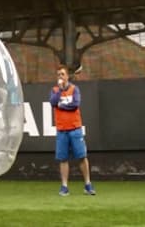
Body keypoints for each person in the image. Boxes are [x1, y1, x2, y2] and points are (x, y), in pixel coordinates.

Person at [50, 64, 95, 196]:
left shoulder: (75, 89)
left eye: (62, 74)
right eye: (58, 75)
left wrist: (62, 105)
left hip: (75, 128)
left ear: (67, 76)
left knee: (82, 156)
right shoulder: (54, 90)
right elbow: (53, 102)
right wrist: (59, 91)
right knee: (63, 159)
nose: (60, 77)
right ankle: (64, 187)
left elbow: (75, 105)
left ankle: (87, 184)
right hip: (61, 130)